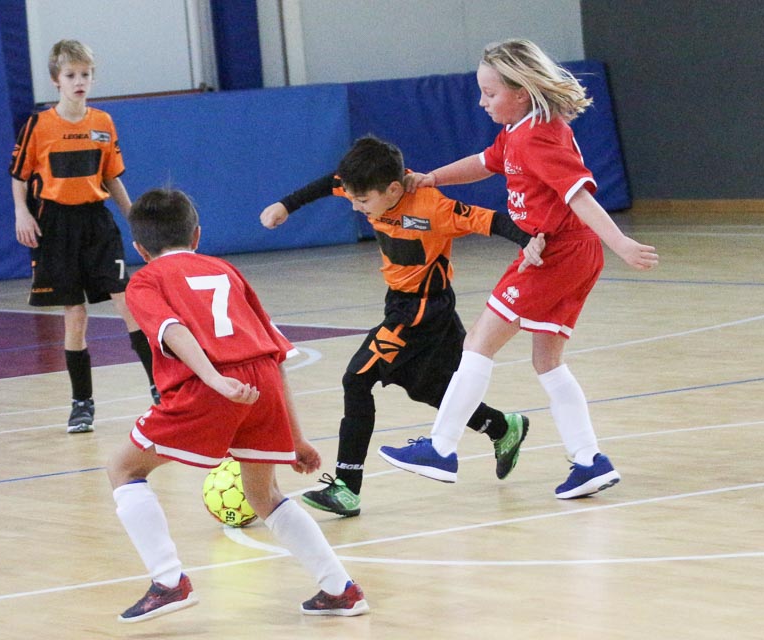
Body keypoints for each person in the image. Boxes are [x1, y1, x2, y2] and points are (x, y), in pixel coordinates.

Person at [378, 39, 659, 499]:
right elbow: (484, 162)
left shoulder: (537, 136)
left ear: (521, 92)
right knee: (546, 361)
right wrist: (433, 177)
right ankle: (589, 460)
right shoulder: (519, 130)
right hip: (565, 252)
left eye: (490, 93)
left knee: (478, 342)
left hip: (560, 254)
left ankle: (441, 448)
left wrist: (622, 243)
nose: (482, 102)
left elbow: (579, 196)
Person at [108, 187, 369, 623]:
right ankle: (340, 589)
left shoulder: (146, 280)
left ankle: (168, 581)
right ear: (196, 235)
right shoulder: (226, 270)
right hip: (263, 382)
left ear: (139, 248)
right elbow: (275, 353)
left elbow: (172, 330)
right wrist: (296, 437)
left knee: (123, 469)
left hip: (211, 386)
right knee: (264, 495)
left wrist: (214, 379)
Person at [259, 135, 545, 515]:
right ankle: (501, 427)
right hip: (407, 303)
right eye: (353, 198)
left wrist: (528, 241)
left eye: (363, 201)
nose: (357, 207)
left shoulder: (430, 206)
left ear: (393, 189)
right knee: (430, 388)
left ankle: (347, 486)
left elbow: (488, 219)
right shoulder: (366, 185)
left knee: (357, 378)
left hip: (420, 310)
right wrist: (285, 205)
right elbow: (331, 183)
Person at [10, 40, 158, 434]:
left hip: (97, 223)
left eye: (85, 75)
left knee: (127, 302)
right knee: (75, 315)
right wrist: (22, 212)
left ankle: (160, 388)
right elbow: (19, 176)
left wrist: (135, 220)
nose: (79, 81)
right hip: (56, 226)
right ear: (56, 80)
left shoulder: (103, 123)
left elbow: (111, 177)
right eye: (71, 75)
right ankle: (82, 403)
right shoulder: (39, 126)